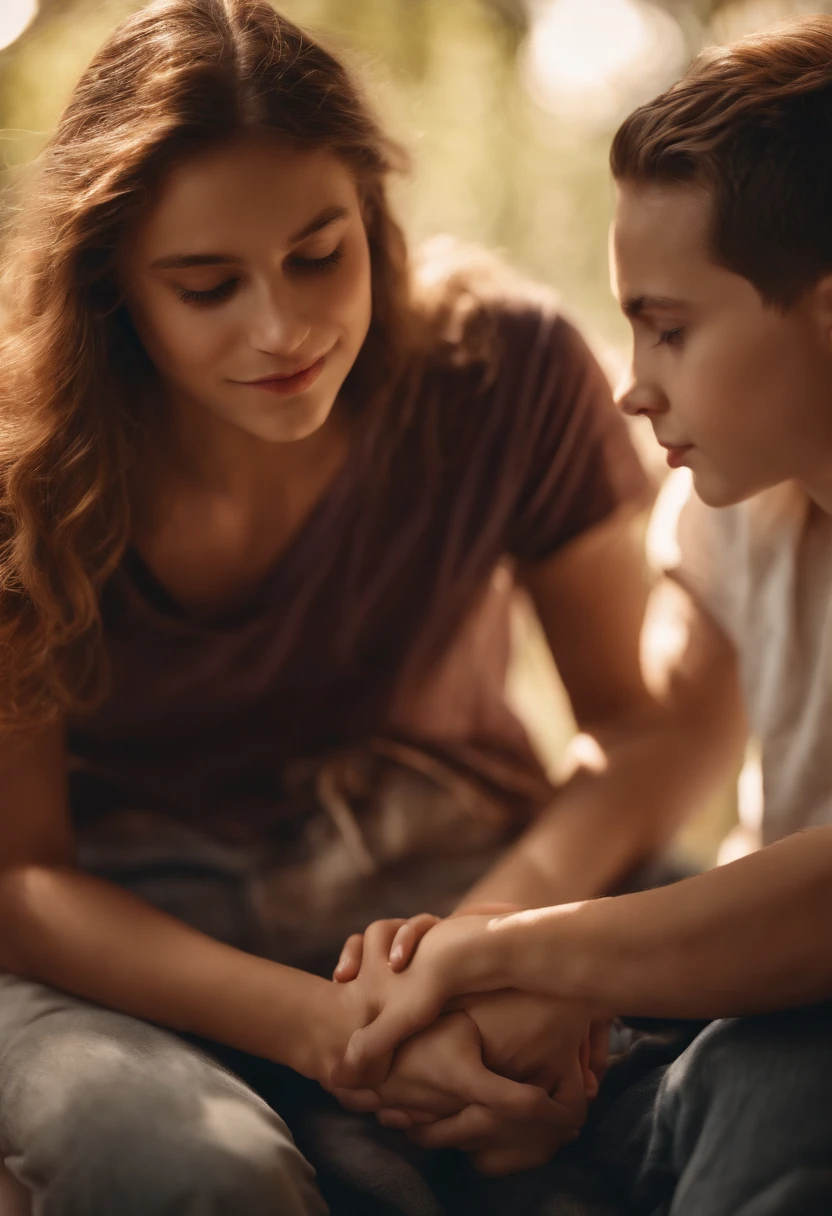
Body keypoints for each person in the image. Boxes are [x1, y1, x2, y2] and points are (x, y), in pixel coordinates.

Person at [0, 1, 733, 1213]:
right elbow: (23, 882)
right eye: (206, 287)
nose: (282, 327)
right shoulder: (26, 482)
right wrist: (333, 1028)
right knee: (194, 1172)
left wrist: (488, 950)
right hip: (136, 949)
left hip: (461, 874)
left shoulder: (504, 371)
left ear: (373, 215)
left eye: (317, 254)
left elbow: (647, 729)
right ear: (113, 286)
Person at [338, 15, 832, 1216]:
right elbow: (663, 744)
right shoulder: (741, 500)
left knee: (778, 1086)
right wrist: (483, 952)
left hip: (788, 1036)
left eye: (668, 327)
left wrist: (523, 953)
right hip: (738, 1001)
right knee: (408, 1129)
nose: (629, 381)